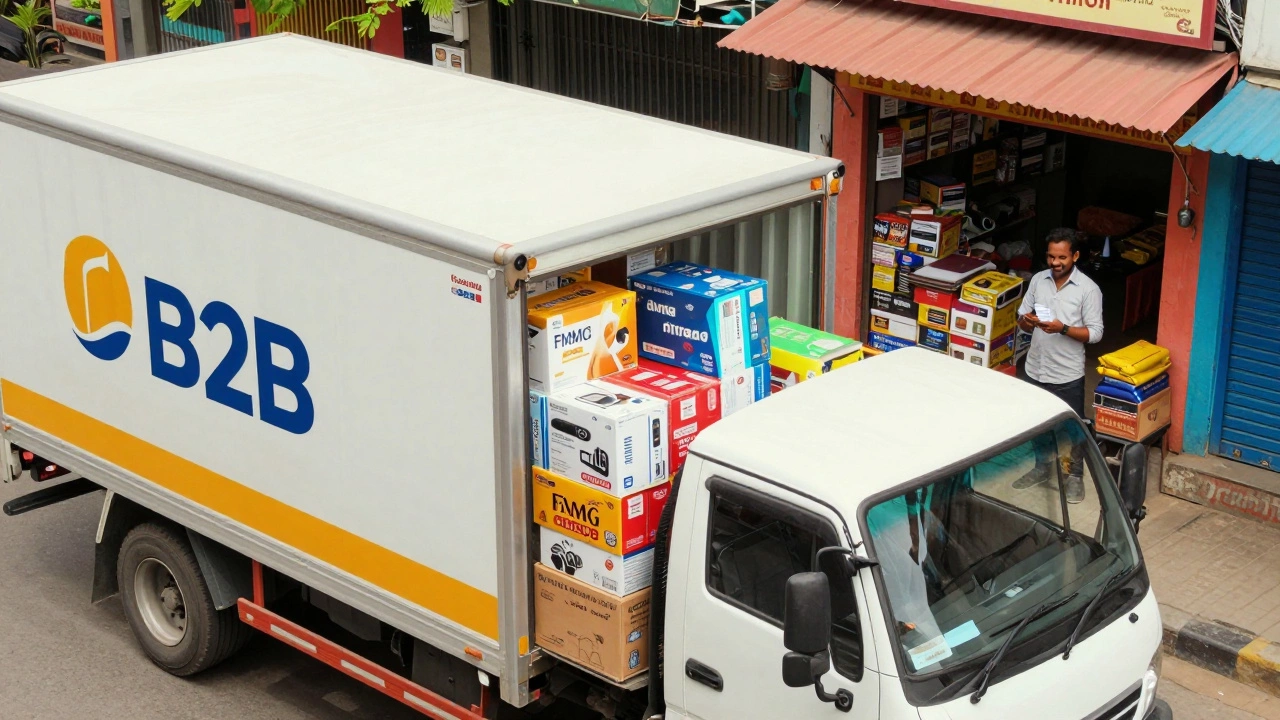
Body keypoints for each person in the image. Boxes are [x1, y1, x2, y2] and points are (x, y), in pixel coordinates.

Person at [1015, 228, 1104, 503]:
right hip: (1035, 367)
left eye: (1062, 257)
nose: (1055, 263)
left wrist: (1062, 328)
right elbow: (1021, 318)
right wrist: (1027, 321)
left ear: (1075, 256)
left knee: (1072, 428)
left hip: (1067, 373)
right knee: (1037, 424)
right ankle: (1042, 467)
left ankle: (1075, 475)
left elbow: (1096, 333)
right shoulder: (1038, 280)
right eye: (1051, 257)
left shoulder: (1088, 289)